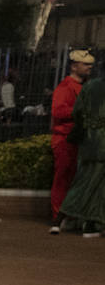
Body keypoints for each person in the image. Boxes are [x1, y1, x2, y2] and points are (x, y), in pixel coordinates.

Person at [50, 50, 95, 234]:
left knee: (73, 179)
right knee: (64, 178)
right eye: (85, 65)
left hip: (77, 139)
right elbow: (58, 112)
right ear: (74, 66)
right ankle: (58, 216)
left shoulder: (82, 86)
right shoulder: (65, 87)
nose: (89, 68)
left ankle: (68, 216)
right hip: (65, 139)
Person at [58, 73, 104, 238]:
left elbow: (78, 111)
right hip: (101, 142)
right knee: (96, 184)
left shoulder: (90, 85)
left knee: (84, 179)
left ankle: (70, 219)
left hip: (88, 141)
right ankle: (89, 223)